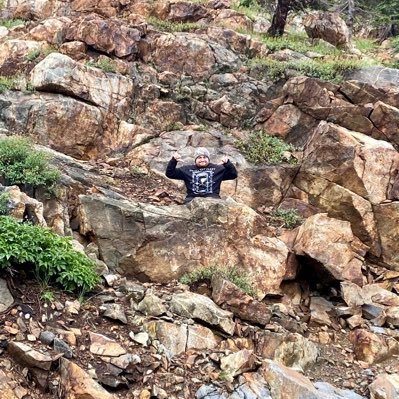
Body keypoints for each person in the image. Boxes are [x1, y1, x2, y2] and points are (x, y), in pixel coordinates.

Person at [165, 147, 238, 203]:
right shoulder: (187, 169)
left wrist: (228, 164)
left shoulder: (218, 169)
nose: (202, 159)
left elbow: (233, 175)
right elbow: (170, 174)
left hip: (213, 201)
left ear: (208, 159)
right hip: (192, 201)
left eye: (205, 157)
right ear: (195, 159)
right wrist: (173, 161)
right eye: (199, 157)